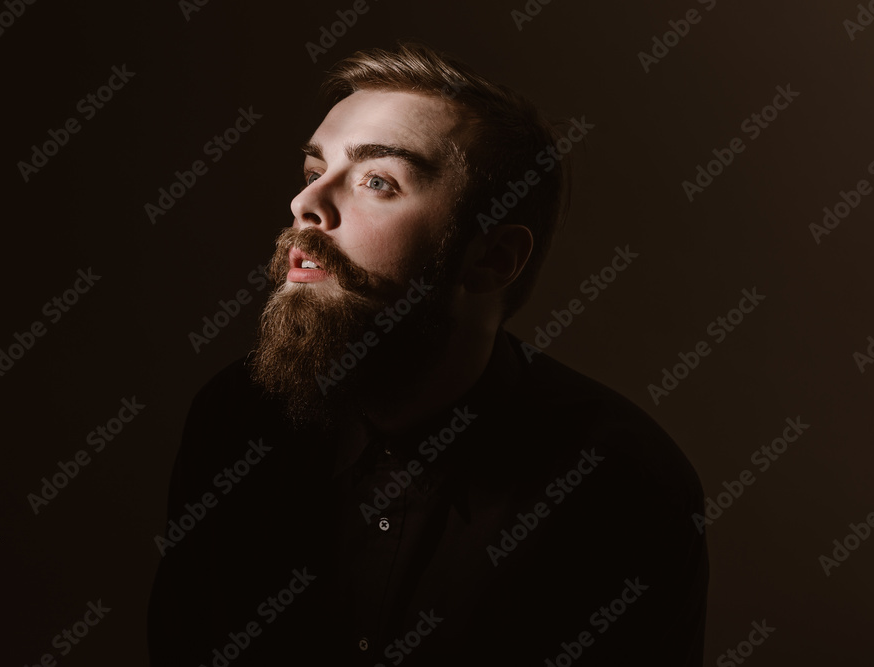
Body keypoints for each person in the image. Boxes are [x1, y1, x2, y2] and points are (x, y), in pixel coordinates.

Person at [148, 42, 708, 666]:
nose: (305, 205)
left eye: (378, 181)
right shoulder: (236, 421)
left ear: (492, 258)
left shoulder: (620, 485)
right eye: (313, 172)